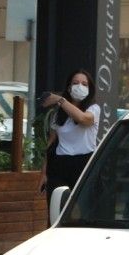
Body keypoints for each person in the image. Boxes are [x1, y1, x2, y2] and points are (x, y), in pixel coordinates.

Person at [39, 69, 101, 199]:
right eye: (75, 83)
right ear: (69, 87)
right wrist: (44, 172)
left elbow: (83, 119)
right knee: (57, 204)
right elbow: (51, 143)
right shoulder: (58, 114)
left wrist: (60, 100)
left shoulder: (93, 109)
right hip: (59, 164)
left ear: (90, 89)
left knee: (81, 205)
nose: (80, 86)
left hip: (84, 163)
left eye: (84, 84)